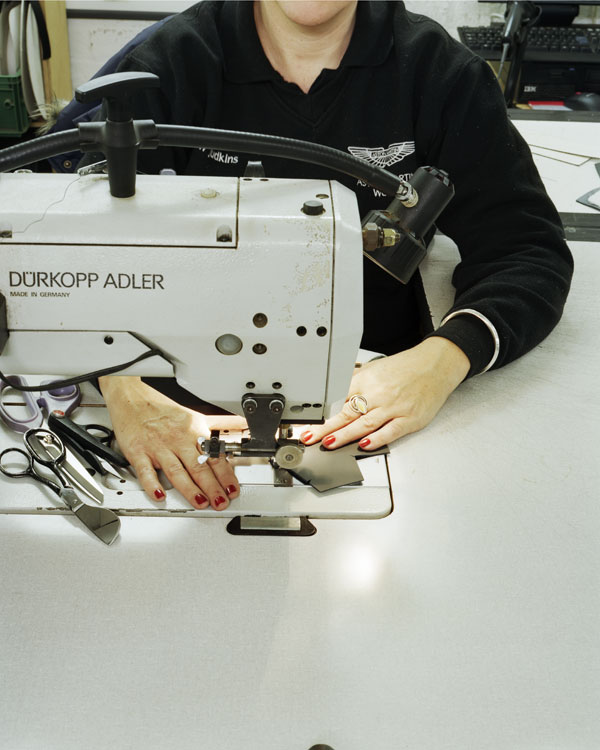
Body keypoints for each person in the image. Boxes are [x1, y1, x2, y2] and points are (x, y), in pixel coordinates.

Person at [93, 0, 573, 511]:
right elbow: (83, 255)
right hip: (177, 395)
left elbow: (526, 250)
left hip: (370, 392)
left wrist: (439, 362)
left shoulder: (439, 73)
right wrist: (124, 391)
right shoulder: (168, 65)